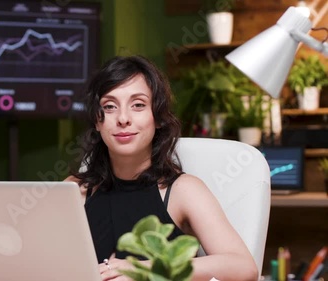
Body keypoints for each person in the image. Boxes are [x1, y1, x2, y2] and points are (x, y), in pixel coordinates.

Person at [65, 55, 258, 281]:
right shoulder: (74, 190)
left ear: (157, 117)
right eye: (109, 106)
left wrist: (143, 271)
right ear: (97, 122)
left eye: (138, 105)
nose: (123, 118)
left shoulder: (183, 190)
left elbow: (244, 267)